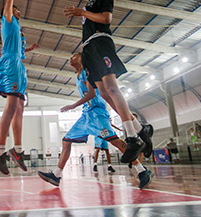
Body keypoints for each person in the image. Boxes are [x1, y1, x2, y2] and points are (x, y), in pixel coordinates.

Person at [63, 0, 153, 164]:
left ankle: (132, 136)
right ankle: (142, 130)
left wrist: (79, 12)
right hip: (88, 48)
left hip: (100, 41)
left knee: (112, 88)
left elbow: (106, 18)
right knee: (103, 92)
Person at [38, 53, 153, 189]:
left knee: (115, 141)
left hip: (98, 114)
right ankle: (57, 175)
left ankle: (142, 171)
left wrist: (73, 105)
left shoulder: (88, 72)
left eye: (75, 56)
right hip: (86, 115)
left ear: (82, 59)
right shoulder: (78, 76)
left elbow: (92, 94)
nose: (71, 58)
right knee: (66, 140)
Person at [0, 0, 40, 175]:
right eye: (15, 8)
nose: (18, 10)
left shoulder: (19, 30)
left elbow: (18, 49)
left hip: (19, 64)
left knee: (20, 107)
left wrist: (28, 48)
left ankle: (17, 149)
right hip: (10, 63)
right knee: (11, 106)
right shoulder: (8, 19)